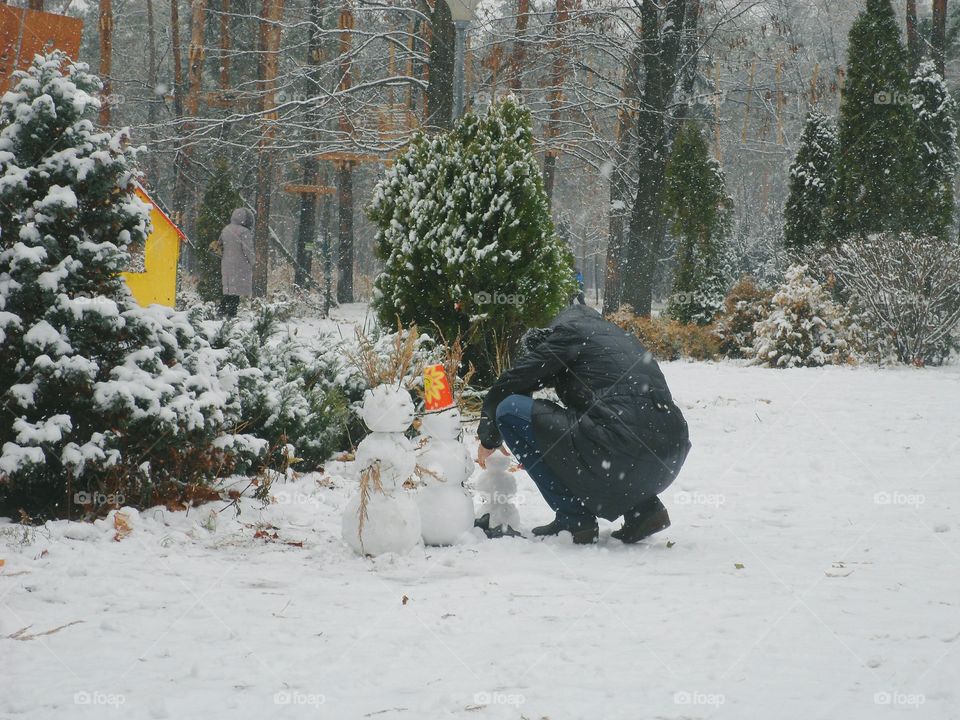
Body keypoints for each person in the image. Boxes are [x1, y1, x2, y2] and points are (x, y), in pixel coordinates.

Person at [477, 304, 691, 544]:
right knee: (621, 428)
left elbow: (513, 382)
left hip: (620, 449)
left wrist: (489, 435)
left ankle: (574, 519)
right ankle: (645, 511)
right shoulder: (617, 337)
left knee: (509, 410)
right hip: (669, 457)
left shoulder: (567, 334)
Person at [218, 208, 255, 318]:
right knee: (236, 290)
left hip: (226, 262)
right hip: (240, 264)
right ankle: (231, 313)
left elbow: (220, 243)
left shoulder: (225, 230)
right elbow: (248, 250)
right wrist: (253, 262)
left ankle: (221, 310)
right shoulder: (245, 232)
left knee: (228, 288)